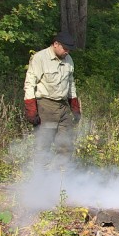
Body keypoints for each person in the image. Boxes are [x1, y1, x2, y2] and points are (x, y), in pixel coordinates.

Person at [23, 31, 82, 168]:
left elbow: (70, 84)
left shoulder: (69, 60)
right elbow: (29, 84)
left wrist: (75, 107)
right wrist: (31, 109)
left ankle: (62, 179)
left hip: (63, 107)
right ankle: (41, 179)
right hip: (46, 106)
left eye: (69, 49)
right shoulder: (40, 58)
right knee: (44, 145)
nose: (67, 52)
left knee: (66, 144)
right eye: (65, 48)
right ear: (56, 44)